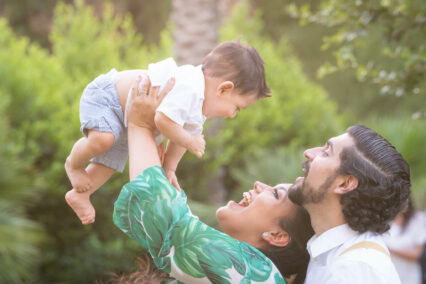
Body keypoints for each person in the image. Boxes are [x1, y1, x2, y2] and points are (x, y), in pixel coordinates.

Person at [113, 76, 314, 283]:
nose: (258, 184)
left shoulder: (255, 272)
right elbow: (179, 225)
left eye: (275, 194)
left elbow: (167, 224)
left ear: (277, 235)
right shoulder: (254, 272)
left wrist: (140, 124)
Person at [65, 41, 271, 225]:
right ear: (224, 89)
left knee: (108, 164)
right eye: (237, 107)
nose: (233, 115)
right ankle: (73, 165)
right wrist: (191, 141)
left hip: (129, 117)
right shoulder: (190, 86)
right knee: (102, 140)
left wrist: (169, 169)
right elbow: (163, 120)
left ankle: (81, 195)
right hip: (108, 97)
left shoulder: (199, 108)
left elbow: (178, 138)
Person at [287, 124, 411, 283]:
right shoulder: (334, 257)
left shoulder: (354, 269)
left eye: (326, 153)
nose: (309, 153)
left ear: (344, 184)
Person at [384, 197, 426, 284]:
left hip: (410, 277)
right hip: (388, 276)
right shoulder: (384, 221)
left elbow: (416, 254)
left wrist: (389, 248)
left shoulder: (418, 219)